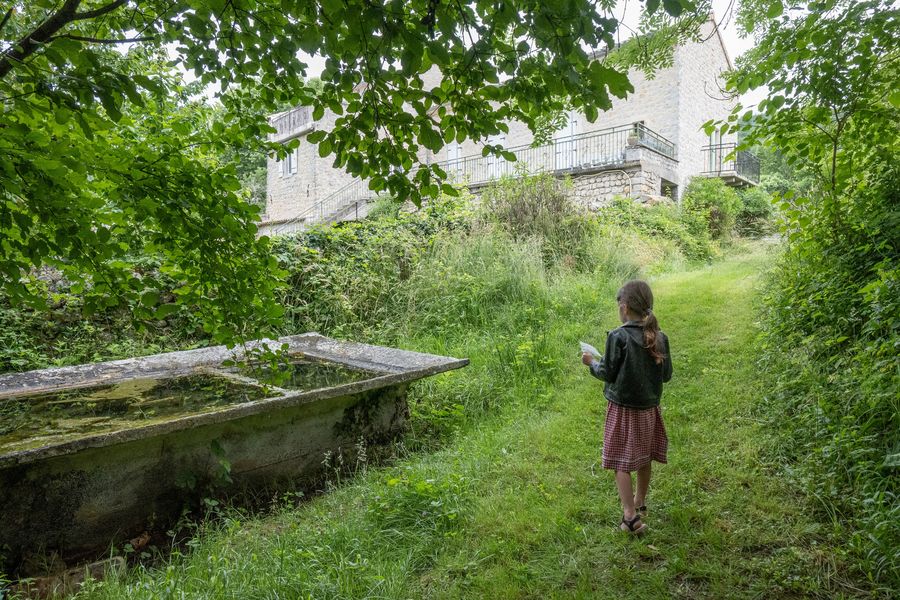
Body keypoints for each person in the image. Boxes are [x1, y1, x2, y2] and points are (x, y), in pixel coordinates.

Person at [582, 280, 672, 535]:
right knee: (644, 457)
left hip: (622, 410)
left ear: (624, 307)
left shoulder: (617, 336)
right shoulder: (660, 337)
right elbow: (666, 376)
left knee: (621, 461)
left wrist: (591, 363)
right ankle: (640, 502)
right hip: (649, 410)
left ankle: (630, 517)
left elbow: (607, 373)